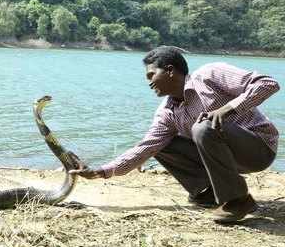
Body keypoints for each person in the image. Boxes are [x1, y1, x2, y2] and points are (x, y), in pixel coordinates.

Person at [70, 46, 280, 223]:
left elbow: (267, 84)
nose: (149, 82)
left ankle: (238, 200)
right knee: (160, 146)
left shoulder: (210, 75)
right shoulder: (167, 112)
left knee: (203, 126)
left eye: (152, 75)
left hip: (258, 148)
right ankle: (208, 193)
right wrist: (102, 171)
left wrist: (228, 109)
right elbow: (145, 148)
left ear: (170, 70)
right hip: (224, 155)